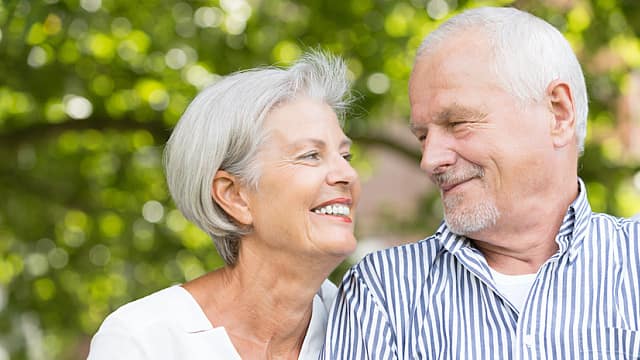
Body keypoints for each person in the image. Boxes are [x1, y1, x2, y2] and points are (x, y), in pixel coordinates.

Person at [323, 6, 640, 359]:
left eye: (457, 122)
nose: (430, 160)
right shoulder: (383, 292)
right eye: (423, 136)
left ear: (558, 113)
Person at [87, 51, 360, 359]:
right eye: (311, 155)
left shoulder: (369, 328)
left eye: (345, 156)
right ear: (234, 195)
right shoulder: (143, 340)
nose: (347, 174)